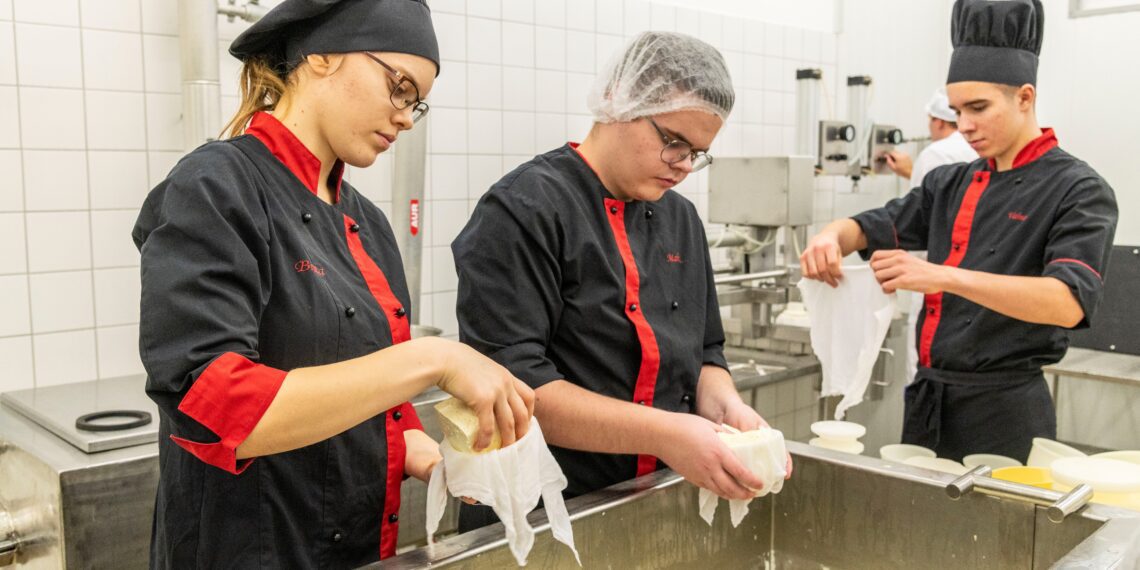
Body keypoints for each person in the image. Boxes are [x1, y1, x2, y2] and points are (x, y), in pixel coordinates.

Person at [132, 1, 534, 567]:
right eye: (399, 87)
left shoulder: (368, 223)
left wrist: (424, 453)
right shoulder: (216, 187)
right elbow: (212, 404)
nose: (407, 118)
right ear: (320, 57)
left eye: (417, 102)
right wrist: (435, 359)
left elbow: (377, 391)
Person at [452, 32, 788, 532]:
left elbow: (705, 355)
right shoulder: (524, 209)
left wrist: (730, 409)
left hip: (650, 499)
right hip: (541, 512)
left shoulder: (681, 220)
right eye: (673, 142)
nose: (683, 167)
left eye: (698, 152)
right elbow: (517, 389)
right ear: (617, 101)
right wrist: (668, 434)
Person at [800, 0, 1117, 463]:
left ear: (1025, 97)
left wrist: (942, 276)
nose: (964, 126)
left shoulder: (1079, 189)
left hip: (1005, 411)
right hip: (929, 402)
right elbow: (870, 227)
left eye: (978, 108)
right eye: (956, 110)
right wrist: (830, 237)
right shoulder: (951, 182)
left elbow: (1066, 302)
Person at [884, 88, 979, 385]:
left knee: (923, 376)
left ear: (938, 121)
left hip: (933, 280)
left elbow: (922, 214)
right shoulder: (976, 151)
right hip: (977, 291)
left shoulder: (936, 153)